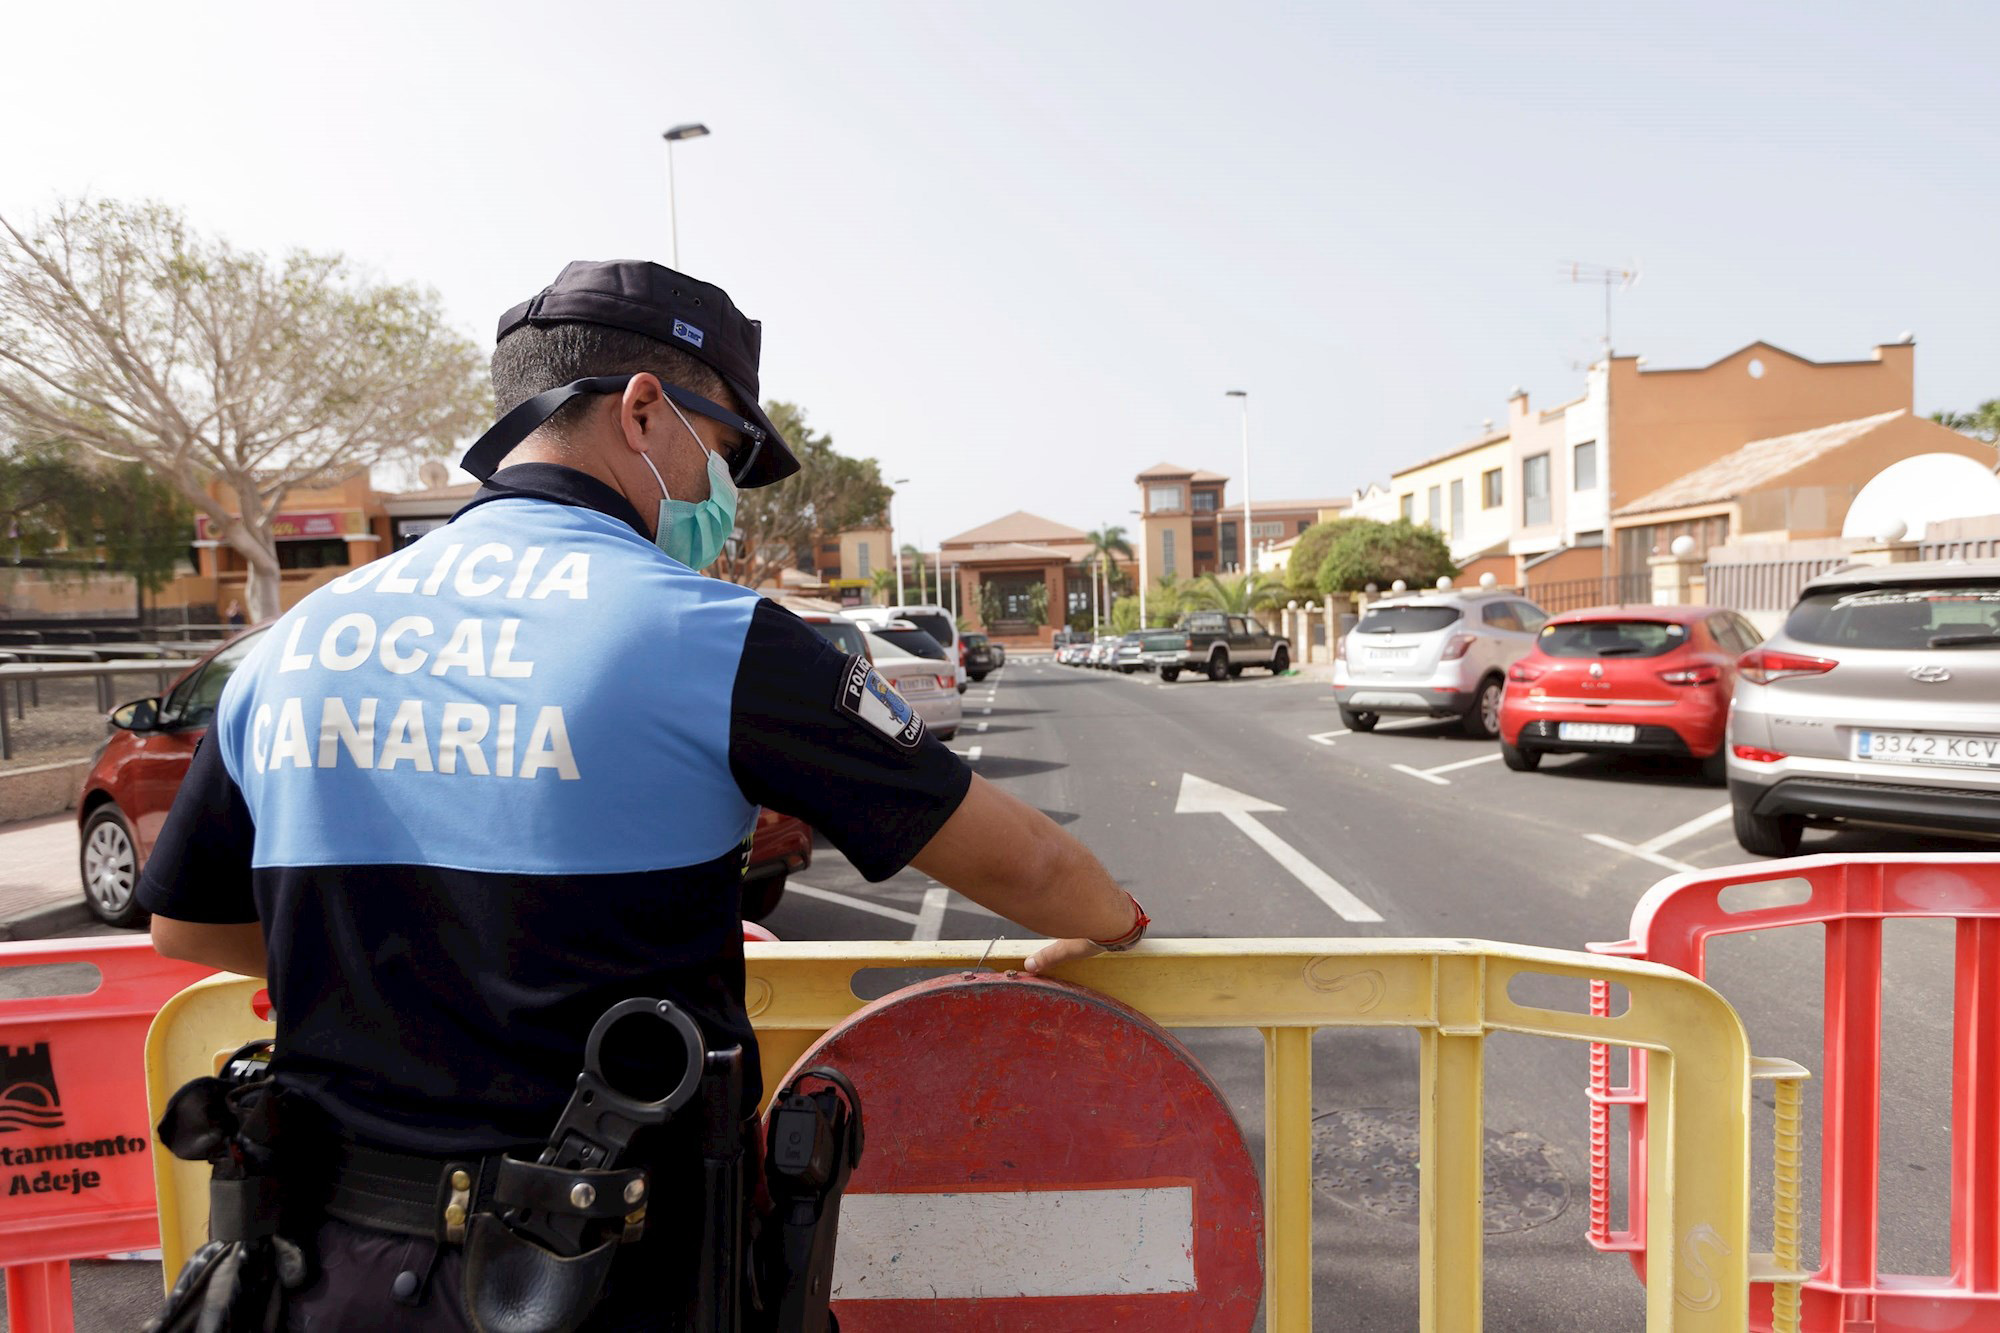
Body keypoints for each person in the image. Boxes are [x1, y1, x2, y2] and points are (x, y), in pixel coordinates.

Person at [139, 259, 1145, 1329]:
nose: (719, 494)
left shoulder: (298, 642)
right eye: (722, 453)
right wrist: (1107, 926)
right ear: (644, 409)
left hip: (323, 1274)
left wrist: (414, 961)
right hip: (608, 1279)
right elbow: (1028, 864)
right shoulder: (710, 635)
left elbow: (188, 923)